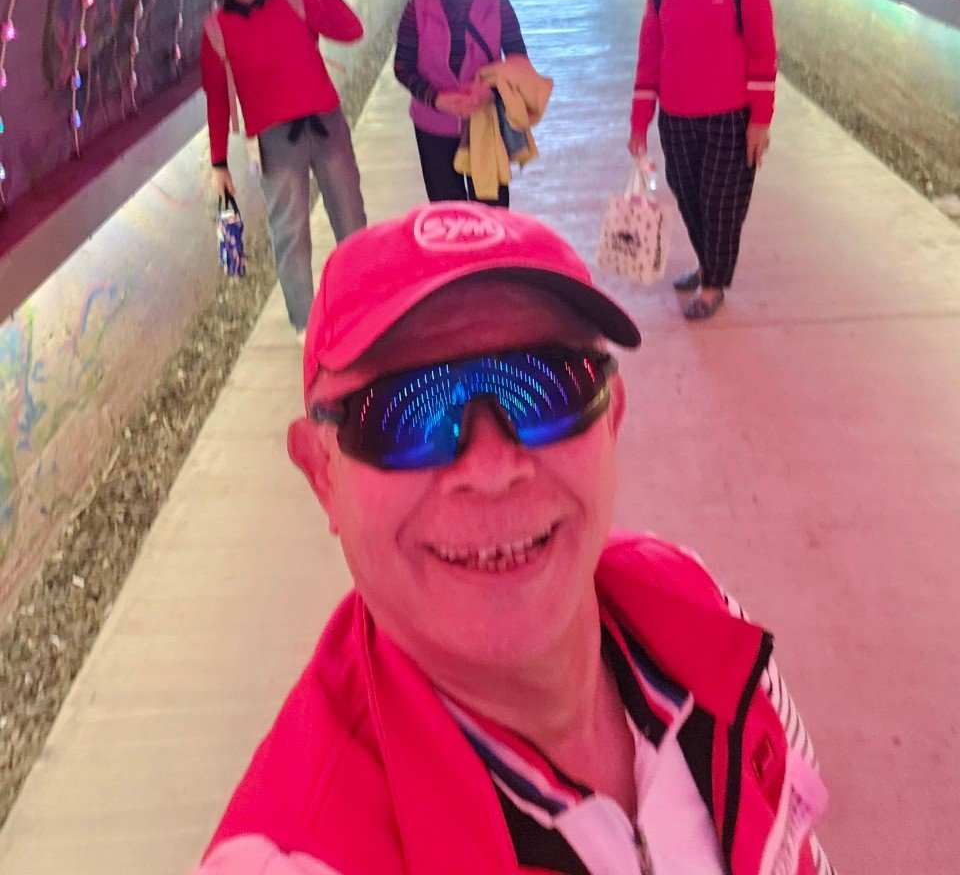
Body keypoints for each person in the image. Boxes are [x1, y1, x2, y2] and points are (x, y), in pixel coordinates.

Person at [196, 202, 833, 875]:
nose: (492, 469)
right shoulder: (292, 858)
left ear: (611, 418)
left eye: (545, 388)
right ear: (322, 474)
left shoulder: (702, 617)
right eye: (407, 412)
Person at [200, 0, 367, 335]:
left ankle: (363, 307)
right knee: (290, 235)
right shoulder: (216, 31)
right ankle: (307, 329)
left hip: (327, 127)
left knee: (351, 219)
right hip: (274, 142)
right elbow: (217, 100)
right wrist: (218, 162)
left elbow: (351, 31)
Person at [627, 0, 777, 321]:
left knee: (720, 204)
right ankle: (707, 264)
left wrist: (760, 121)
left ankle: (713, 285)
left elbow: (763, 54)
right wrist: (639, 124)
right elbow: (649, 61)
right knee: (690, 199)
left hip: (730, 119)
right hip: (676, 119)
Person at [395, 0, 527, 208]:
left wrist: (490, 90)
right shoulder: (417, 8)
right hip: (433, 127)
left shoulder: (497, 2)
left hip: (485, 123)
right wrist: (437, 99)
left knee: (491, 212)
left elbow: (518, 60)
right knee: (448, 214)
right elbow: (403, 66)